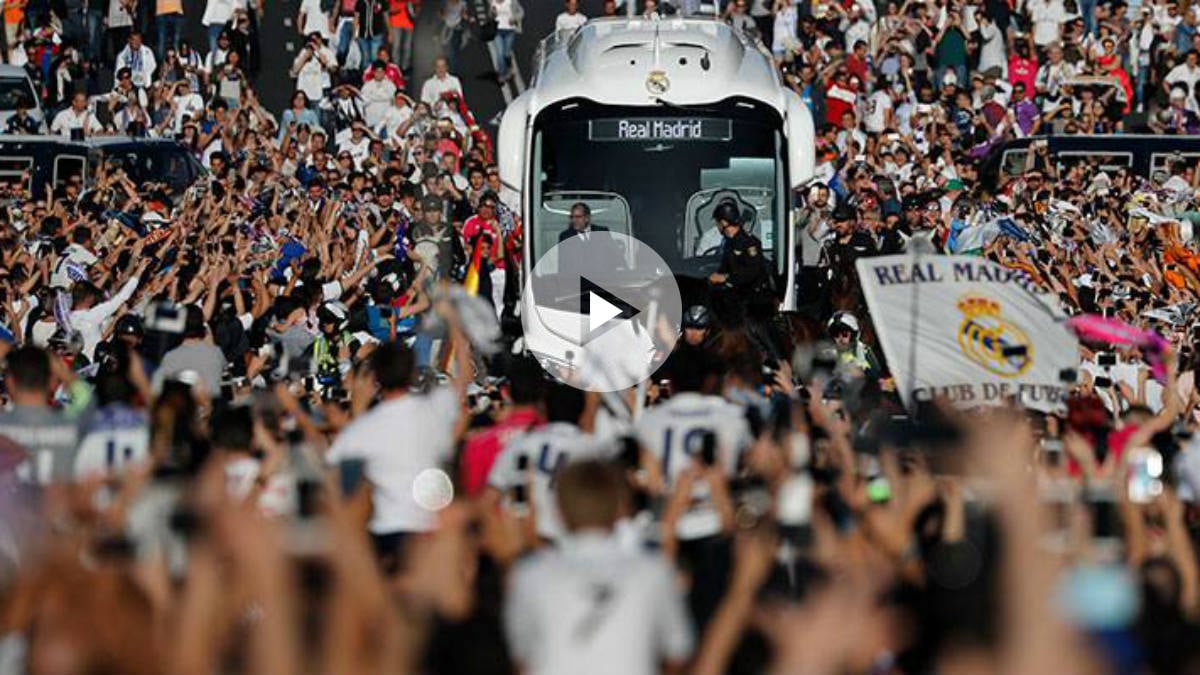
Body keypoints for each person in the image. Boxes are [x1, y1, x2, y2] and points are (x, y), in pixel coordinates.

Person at [503, 460, 694, 675]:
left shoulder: (531, 575)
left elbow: (521, 660)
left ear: (559, 511)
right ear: (620, 508)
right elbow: (677, 654)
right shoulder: (653, 571)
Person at [325, 325, 471, 567]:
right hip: (428, 528)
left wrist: (357, 405)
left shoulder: (366, 426)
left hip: (386, 531)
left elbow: (333, 467)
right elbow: (463, 382)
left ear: (377, 377)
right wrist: (456, 326)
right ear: (412, 371)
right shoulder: (434, 410)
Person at [486, 383, 613, 542]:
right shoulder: (593, 451)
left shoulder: (521, 444)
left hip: (531, 539)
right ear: (582, 411)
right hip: (576, 543)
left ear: (543, 409)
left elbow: (490, 497)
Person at [0, 346, 83, 485]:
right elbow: (87, 401)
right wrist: (64, 374)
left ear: (10, 382)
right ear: (52, 382)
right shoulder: (72, 430)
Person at [707, 198, 770, 324]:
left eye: (718, 223)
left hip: (753, 300)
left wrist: (726, 278)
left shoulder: (749, 242)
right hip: (735, 296)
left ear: (724, 223)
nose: (717, 227)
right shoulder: (729, 243)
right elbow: (724, 267)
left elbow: (753, 272)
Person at [153, 305, 228, 399]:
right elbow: (225, 379)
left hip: (184, 411)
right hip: (211, 410)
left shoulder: (171, 357)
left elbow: (156, 390)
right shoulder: (216, 353)